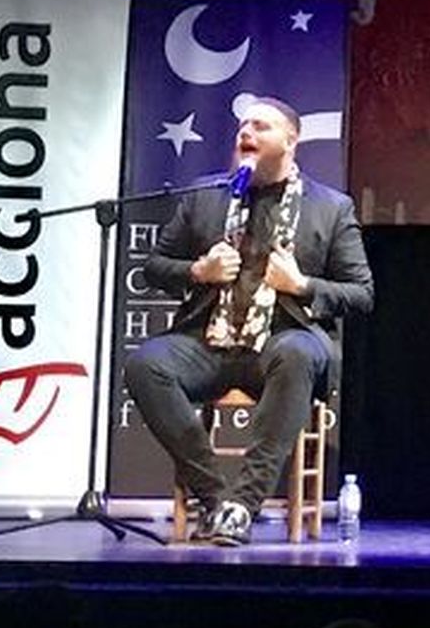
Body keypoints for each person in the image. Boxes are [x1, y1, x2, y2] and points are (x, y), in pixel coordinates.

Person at [127, 96, 374, 546]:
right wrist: (196, 271)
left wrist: (301, 285)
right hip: (210, 342)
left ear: (291, 140)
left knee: (297, 352)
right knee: (146, 364)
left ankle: (245, 504)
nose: (247, 133)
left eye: (261, 126)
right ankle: (217, 500)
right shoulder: (207, 196)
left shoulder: (330, 208)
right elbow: (153, 267)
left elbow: (362, 295)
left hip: (285, 341)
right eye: (244, 125)